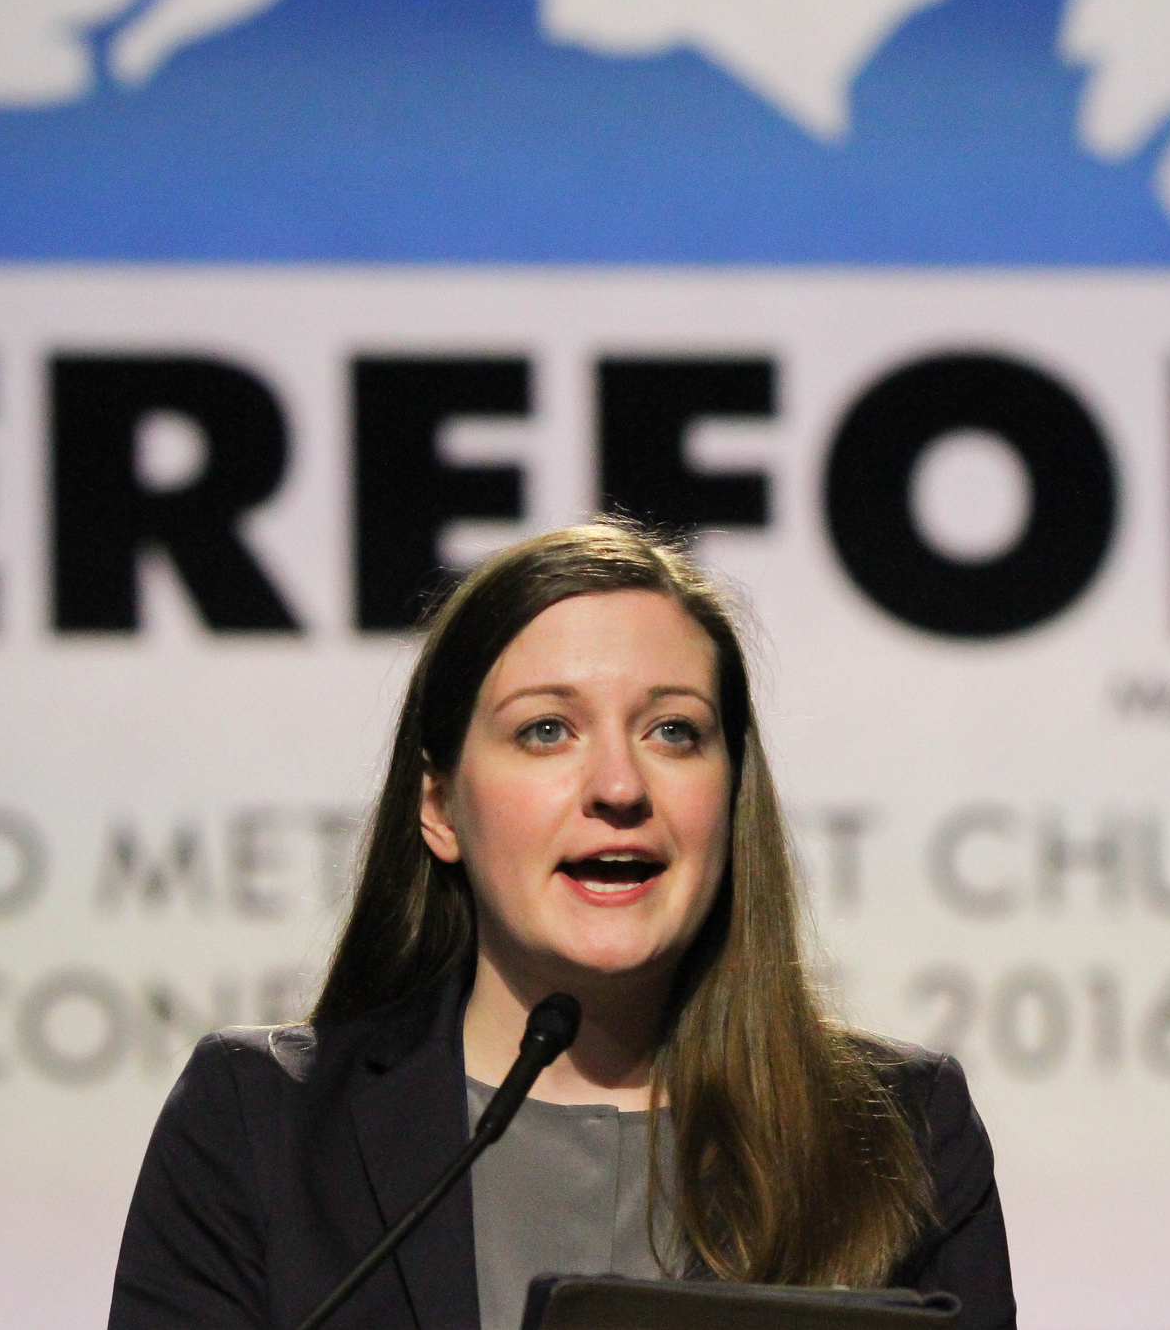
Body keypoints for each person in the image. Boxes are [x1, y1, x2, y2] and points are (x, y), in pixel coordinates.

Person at [108, 521, 1014, 1330]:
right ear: (440, 807)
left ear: (732, 795)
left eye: (673, 732)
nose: (619, 787)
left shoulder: (899, 1133)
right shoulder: (264, 1124)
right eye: (546, 730)